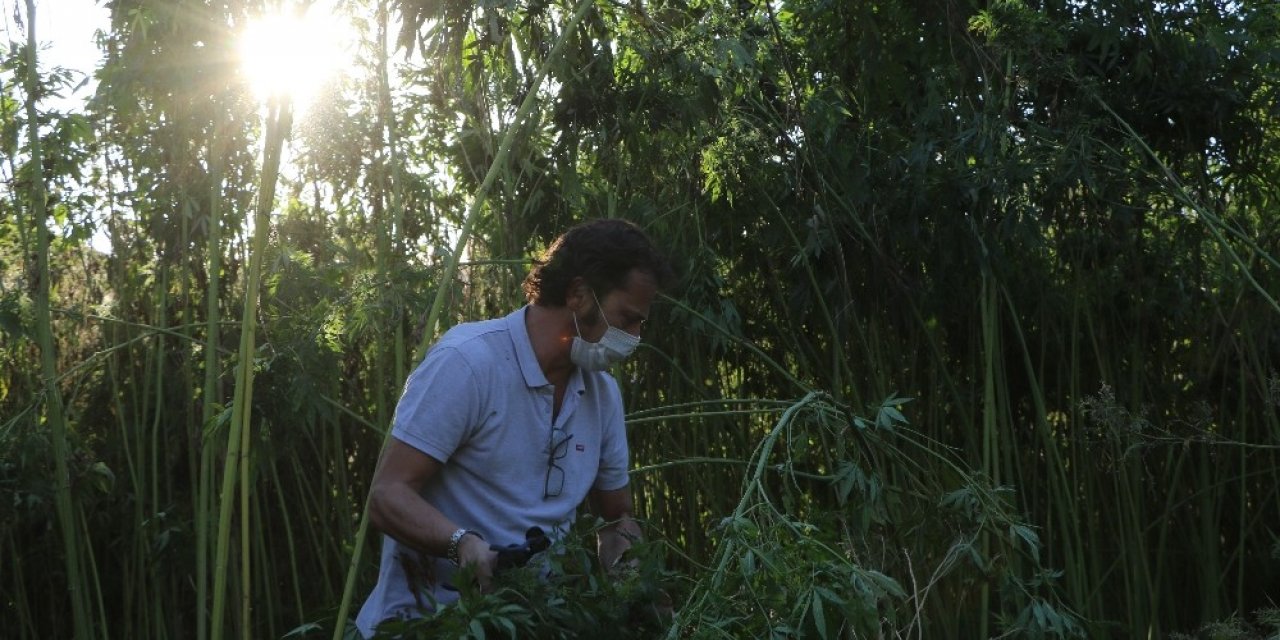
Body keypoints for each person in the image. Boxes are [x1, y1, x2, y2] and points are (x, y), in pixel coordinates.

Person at [355, 218, 675, 637]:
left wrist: (637, 585)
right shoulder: (468, 363)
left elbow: (615, 518)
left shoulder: (602, 394)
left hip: (535, 623)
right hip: (427, 623)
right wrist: (461, 543)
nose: (634, 336)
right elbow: (387, 495)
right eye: (627, 318)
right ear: (579, 294)